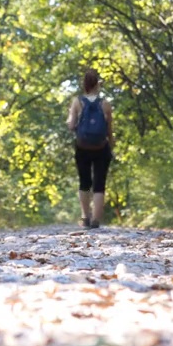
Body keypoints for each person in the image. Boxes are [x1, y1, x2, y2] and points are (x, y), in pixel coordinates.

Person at [66, 68, 113, 229]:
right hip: (101, 147)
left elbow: (72, 125)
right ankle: (96, 220)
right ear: (97, 85)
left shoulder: (77, 102)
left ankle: (85, 217)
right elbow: (109, 129)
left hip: (82, 147)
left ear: (84, 84)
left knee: (84, 182)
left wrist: (73, 123)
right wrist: (111, 144)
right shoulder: (105, 104)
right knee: (99, 184)